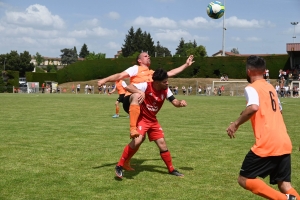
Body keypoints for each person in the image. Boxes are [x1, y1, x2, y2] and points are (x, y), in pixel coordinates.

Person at [226, 55, 299, 200]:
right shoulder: (270, 87)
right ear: (264, 71)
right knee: (285, 185)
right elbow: (278, 109)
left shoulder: (251, 88)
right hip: (283, 140)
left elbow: (253, 107)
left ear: (248, 71)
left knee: (244, 179)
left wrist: (235, 123)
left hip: (267, 143)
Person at [98, 52, 194, 138]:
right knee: (137, 95)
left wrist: (186, 65)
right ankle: (132, 129)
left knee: (140, 138)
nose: (148, 56)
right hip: (131, 99)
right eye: (145, 56)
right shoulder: (136, 68)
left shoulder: (153, 73)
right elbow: (120, 76)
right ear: (139, 60)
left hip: (144, 105)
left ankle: (138, 137)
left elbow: (171, 73)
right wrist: (104, 80)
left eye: (149, 55)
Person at [114, 68, 187, 178]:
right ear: (156, 83)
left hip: (153, 120)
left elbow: (174, 102)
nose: (167, 83)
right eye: (164, 82)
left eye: (167, 81)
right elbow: (128, 87)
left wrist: (180, 103)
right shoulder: (146, 86)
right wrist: (140, 92)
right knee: (137, 140)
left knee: (162, 143)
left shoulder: (166, 90)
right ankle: (119, 165)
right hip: (142, 119)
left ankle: (171, 170)